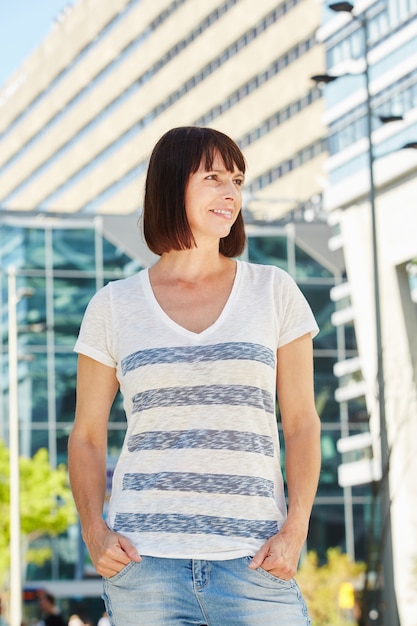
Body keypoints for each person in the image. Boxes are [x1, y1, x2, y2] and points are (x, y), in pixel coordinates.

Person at [68, 126, 321, 625]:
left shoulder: (274, 290)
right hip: (144, 566)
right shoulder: (114, 305)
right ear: (170, 185)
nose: (231, 193)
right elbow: (87, 437)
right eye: (213, 177)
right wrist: (93, 531)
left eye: (237, 180)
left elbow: (302, 424)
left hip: (256, 560)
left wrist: (296, 529)